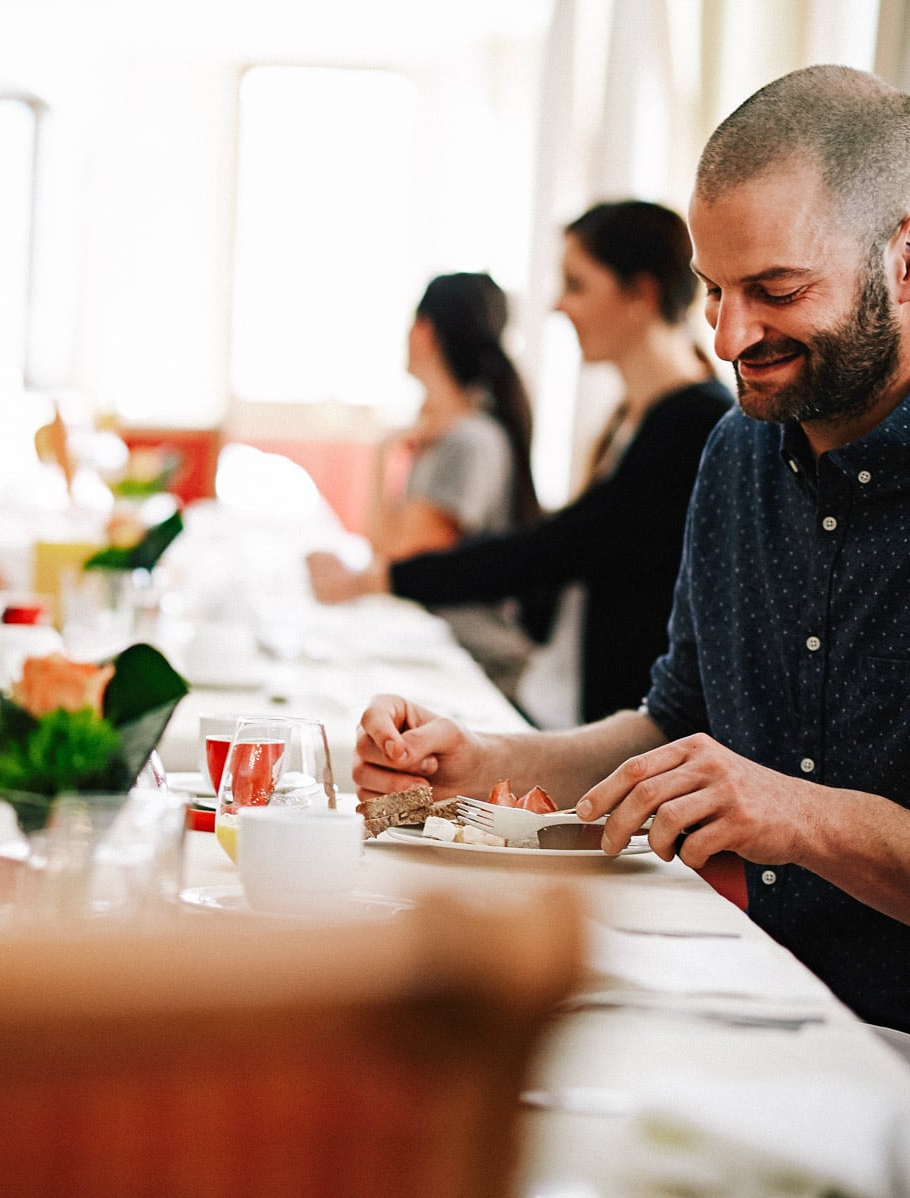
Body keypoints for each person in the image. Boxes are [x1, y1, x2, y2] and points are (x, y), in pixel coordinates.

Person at [353, 65, 910, 1034]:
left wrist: (803, 815)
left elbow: (761, 796)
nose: (732, 336)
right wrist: (481, 762)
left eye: (776, 290)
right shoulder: (734, 453)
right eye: (714, 291)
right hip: (741, 1001)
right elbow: (673, 725)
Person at [310, 202, 730, 727]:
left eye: (576, 285)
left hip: (624, 727)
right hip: (570, 699)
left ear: (640, 296)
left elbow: (557, 550)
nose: (558, 305)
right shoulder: (631, 417)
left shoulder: (695, 423)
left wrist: (386, 577)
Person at [367, 272, 542, 693]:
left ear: (424, 332)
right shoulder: (447, 434)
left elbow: (398, 558)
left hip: (472, 662)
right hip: (440, 649)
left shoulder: (468, 441)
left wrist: (380, 457)